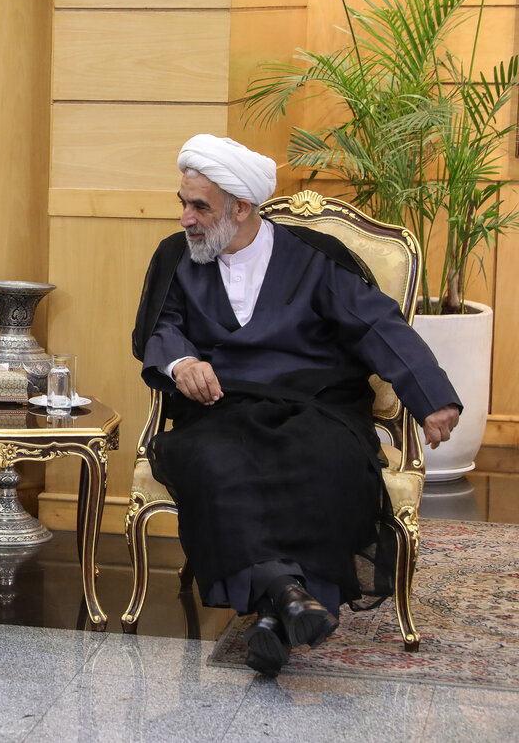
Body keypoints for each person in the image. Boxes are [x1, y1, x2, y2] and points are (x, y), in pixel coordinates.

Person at [131, 135, 460, 676]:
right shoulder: (176, 256)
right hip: (220, 410)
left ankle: (274, 610)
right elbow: (160, 328)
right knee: (214, 462)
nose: (186, 218)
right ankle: (291, 601)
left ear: (241, 208)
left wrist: (431, 397)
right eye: (183, 203)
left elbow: (378, 326)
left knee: (328, 460)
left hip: (315, 406)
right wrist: (181, 363)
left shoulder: (315, 258)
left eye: (200, 207)